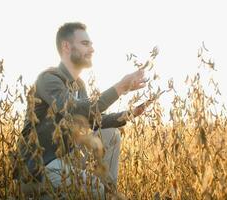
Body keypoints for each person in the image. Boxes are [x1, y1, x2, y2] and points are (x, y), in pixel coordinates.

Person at [15, 22, 148, 199]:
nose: (92, 49)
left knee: (111, 134)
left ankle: (109, 193)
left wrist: (128, 114)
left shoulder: (79, 85)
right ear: (66, 46)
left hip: (63, 161)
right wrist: (120, 87)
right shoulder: (48, 79)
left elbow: (91, 121)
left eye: (91, 44)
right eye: (85, 44)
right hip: (39, 168)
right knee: (96, 190)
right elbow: (76, 109)